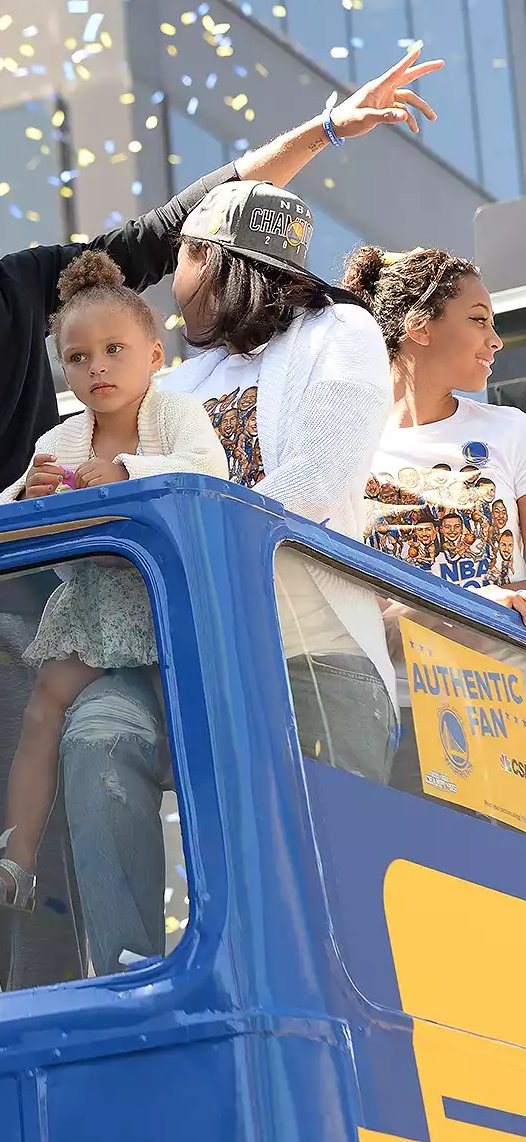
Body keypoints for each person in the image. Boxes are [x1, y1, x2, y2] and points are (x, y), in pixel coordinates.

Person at [0, 46, 440, 1007]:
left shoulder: (6, 288)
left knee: (46, 908)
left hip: (25, 623)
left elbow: (170, 230)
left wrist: (327, 129)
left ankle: (81, 1061)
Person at [0, 252, 227, 909]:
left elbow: (208, 471)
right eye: (77, 357)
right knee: (42, 709)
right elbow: (12, 526)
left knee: (191, 732)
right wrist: (29, 495)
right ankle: (14, 865)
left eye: (115, 349)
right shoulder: (63, 438)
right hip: (93, 606)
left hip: (169, 608)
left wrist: (132, 471)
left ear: (155, 354)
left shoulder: (175, 415)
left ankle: (218, 875)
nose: (97, 366)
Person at [160, 180, 398, 777]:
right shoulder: (182, 381)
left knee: (329, 863)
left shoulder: (341, 330)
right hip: (209, 656)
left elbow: (317, 479)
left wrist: (189, 537)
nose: (172, 280)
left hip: (319, 659)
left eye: (183, 255)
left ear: (217, 259)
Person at [339, 244, 526, 795]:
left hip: (507, 704)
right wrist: (463, 610)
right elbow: (345, 603)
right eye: (478, 321)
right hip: (396, 719)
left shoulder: (510, 431)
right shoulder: (345, 446)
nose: (495, 340)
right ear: (420, 326)